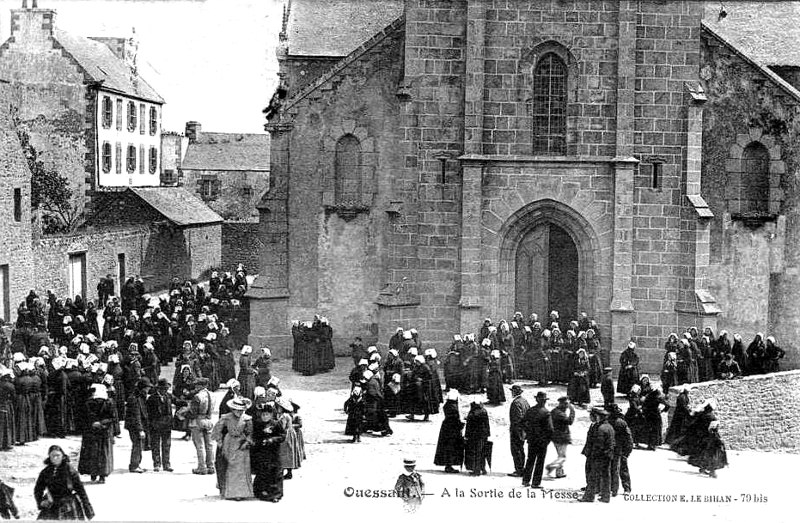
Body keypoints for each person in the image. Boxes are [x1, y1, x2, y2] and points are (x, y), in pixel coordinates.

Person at [34, 445, 94, 520]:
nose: (55, 458)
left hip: (69, 506)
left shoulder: (70, 471)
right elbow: (38, 489)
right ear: (49, 457)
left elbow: (81, 490)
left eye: (57, 455)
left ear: (62, 456)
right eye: (52, 456)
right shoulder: (46, 472)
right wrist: (40, 501)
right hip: (51, 504)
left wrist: (88, 509)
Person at [212, 396, 254, 500]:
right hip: (229, 442)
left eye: (241, 410)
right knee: (230, 466)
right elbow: (217, 430)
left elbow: (250, 433)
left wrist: (247, 442)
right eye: (237, 410)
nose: (239, 412)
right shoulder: (226, 417)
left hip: (241, 443)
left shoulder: (247, 419)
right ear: (233, 409)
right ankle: (229, 491)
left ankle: (241, 492)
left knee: (240, 468)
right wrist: (220, 442)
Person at [77, 384, 114, 483]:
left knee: (92, 452)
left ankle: (94, 473)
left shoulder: (88, 403)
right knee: (102, 453)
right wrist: (102, 424)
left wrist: (94, 423)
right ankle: (101, 475)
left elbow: (83, 417)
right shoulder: (108, 403)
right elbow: (112, 417)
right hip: (102, 431)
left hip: (92, 431)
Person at [251, 403, 286, 502]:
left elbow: (282, 436)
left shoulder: (276, 424)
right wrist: (258, 442)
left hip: (273, 452)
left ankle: (275, 494)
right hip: (261, 453)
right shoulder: (258, 424)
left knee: (275, 472)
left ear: (271, 415)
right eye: (263, 415)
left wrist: (272, 439)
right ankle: (260, 492)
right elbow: (255, 436)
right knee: (262, 472)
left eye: (267, 415)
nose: (265, 417)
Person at [580, 406, 615, 503]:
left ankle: (589, 497)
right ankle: (605, 497)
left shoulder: (601, 428)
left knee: (593, 476)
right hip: (608, 455)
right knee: (606, 476)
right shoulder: (609, 427)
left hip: (599, 456)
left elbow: (598, 445)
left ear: (600, 417)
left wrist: (593, 456)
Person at [521, 391, 553, 488]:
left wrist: (528, 433)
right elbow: (550, 429)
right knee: (540, 462)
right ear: (544, 401)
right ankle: (536, 483)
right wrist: (547, 440)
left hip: (531, 440)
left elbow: (523, 423)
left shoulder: (530, 410)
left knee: (530, 460)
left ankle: (526, 480)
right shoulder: (546, 412)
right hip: (542, 441)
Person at [146, 378, 175, 472]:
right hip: (156, 425)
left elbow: (178, 401)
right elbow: (148, 413)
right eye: (163, 389)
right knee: (155, 445)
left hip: (167, 425)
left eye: (166, 389)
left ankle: (166, 464)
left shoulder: (169, 396)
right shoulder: (152, 398)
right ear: (159, 389)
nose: (165, 391)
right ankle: (157, 464)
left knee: (167, 445)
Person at [188, 377, 215, 475]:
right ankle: (211, 466)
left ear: (202, 385)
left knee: (199, 445)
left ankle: (202, 467)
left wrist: (185, 413)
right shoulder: (212, 395)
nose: (196, 386)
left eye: (198, 385)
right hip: (208, 419)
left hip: (198, 420)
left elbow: (193, 412)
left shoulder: (197, 396)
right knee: (209, 445)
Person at [434, 389, 464, 473]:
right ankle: (449, 465)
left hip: (446, 428)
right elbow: (455, 419)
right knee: (451, 447)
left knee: (446, 447)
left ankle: (448, 464)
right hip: (452, 429)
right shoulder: (453, 407)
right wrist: (461, 425)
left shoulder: (447, 404)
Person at [125, 378, 151, 473]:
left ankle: (137, 464)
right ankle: (134, 465)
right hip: (134, 426)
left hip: (135, 425)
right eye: (147, 388)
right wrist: (140, 429)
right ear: (143, 388)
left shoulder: (140, 396)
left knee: (138, 445)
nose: (148, 390)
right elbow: (136, 415)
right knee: (137, 445)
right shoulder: (135, 398)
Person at [546, 396, 575, 479]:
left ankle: (559, 471)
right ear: (561, 403)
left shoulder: (556, 411)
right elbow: (570, 421)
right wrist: (572, 411)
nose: (567, 406)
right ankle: (554, 468)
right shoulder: (559, 413)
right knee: (562, 456)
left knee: (561, 455)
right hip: (561, 438)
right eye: (566, 404)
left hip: (557, 437)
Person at [607, 403, 633, 497]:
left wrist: (627, 451)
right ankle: (617, 488)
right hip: (616, 449)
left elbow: (628, 438)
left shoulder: (620, 423)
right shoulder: (612, 421)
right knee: (617, 469)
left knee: (622, 468)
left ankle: (626, 488)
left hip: (619, 449)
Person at [276, 397, 301, 480]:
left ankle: (282, 472)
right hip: (290, 435)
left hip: (286, 436)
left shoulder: (283, 416)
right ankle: (289, 472)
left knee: (283, 453)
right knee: (289, 454)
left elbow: (282, 427)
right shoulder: (288, 415)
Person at [507, 384, 529, 478]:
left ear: (514, 392)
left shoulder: (515, 403)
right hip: (524, 430)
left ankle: (519, 470)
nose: (511, 393)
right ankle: (521, 468)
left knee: (516, 450)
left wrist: (515, 430)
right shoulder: (525, 401)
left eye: (512, 391)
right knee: (521, 449)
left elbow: (517, 419)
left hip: (517, 430)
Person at [464, 401, 490, 476]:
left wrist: (466, 436)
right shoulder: (484, 411)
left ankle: (476, 470)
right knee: (482, 452)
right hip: (483, 435)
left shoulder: (473, 413)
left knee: (475, 452)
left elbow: (469, 425)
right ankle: (483, 468)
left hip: (474, 436)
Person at [641, 384, 669, 450]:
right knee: (656, 430)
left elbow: (643, 406)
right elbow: (667, 405)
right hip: (656, 415)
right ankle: (654, 444)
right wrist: (662, 411)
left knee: (649, 429)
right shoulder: (658, 397)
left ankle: (649, 444)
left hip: (648, 415)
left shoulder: (648, 396)